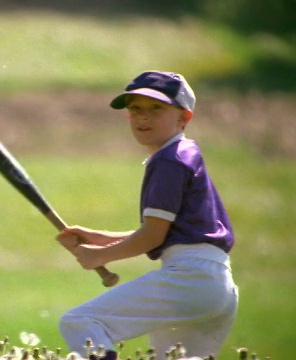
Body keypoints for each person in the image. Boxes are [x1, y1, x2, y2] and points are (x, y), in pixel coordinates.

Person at [56, 71, 238, 360]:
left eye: (157, 108)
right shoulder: (183, 154)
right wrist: (99, 239)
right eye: (136, 109)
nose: (144, 117)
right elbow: (168, 235)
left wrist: (100, 257)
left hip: (190, 279)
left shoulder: (169, 161)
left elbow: (153, 236)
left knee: (81, 323)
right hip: (216, 286)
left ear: (184, 118)